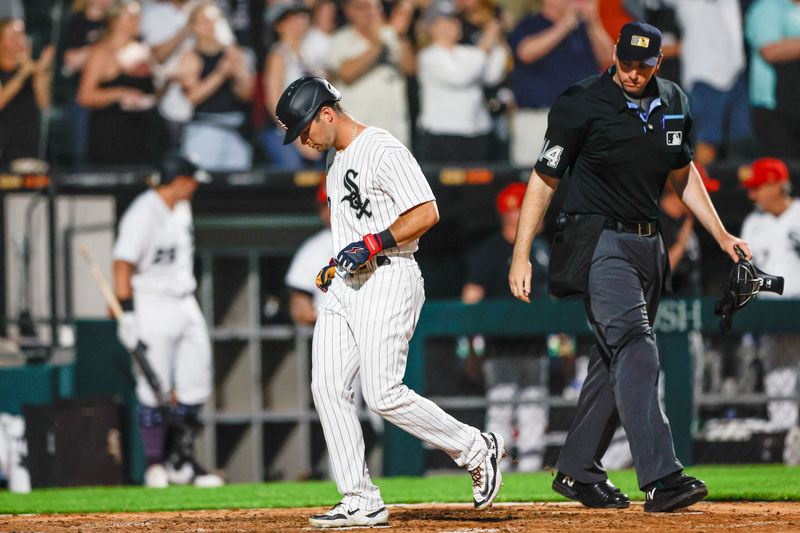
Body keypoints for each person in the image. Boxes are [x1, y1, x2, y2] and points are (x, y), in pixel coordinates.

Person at [508, 21, 750, 512]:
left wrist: (721, 234)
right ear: (614, 54)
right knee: (638, 348)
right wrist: (520, 252)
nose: (634, 71)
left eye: (645, 63)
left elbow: (682, 174)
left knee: (613, 360)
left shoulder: (675, 100)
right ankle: (662, 478)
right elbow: (544, 178)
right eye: (627, 61)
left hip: (648, 242)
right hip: (597, 238)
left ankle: (577, 470)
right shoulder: (581, 101)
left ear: (659, 62)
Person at [276, 76, 504, 528]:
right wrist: (337, 263)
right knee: (327, 386)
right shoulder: (335, 160)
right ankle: (360, 498)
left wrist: (373, 242)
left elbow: (426, 211)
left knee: (381, 393)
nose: (303, 139)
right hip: (348, 285)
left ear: (326, 112)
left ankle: (475, 447)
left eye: (304, 128)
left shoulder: (381, 147)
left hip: (391, 276)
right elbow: (354, 234)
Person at [113, 152, 223, 489]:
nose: (194, 187)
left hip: (184, 302)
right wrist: (128, 314)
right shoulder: (142, 213)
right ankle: (155, 464)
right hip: (151, 303)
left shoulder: (182, 209)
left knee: (196, 379)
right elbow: (122, 267)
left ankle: (181, 460)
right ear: (178, 181)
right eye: (191, 181)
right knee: (153, 388)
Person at [462, 182, 554, 472]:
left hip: (536, 345)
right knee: (500, 412)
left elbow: (553, 301)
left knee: (534, 412)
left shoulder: (541, 250)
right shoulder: (489, 252)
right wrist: (470, 349)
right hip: (498, 348)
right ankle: (495, 471)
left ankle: (530, 470)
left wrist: (563, 345)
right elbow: (470, 301)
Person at [507, 0, 612, 168]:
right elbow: (525, 53)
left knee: (582, 176)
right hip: (539, 118)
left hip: (581, 118)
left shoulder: (584, 28)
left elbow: (607, 57)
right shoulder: (530, 24)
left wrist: (594, 23)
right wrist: (564, 26)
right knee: (531, 177)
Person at [739, 157, 800, 437]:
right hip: (772, 313)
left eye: (758, 187)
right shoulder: (753, 223)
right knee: (778, 378)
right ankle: (783, 441)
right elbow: (746, 273)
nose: (752, 194)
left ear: (776, 185)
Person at [416, 4, 507, 163]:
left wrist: (497, 40)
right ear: (432, 28)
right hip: (443, 135)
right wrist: (487, 40)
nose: (454, 25)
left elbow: (493, 76)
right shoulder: (429, 56)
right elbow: (461, 77)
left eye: (455, 21)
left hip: (477, 133)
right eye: (446, 22)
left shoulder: (468, 52)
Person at [78, 1, 164, 165]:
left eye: (138, 15)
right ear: (115, 21)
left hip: (143, 131)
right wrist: (119, 93)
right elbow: (84, 96)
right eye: (131, 16)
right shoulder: (101, 53)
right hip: (112, 132)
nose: (138, 19)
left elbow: (154, 91)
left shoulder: (144, 51)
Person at [667, 0, 750, 165]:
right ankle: (700, 186)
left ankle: (731, 189)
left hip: (734, 71)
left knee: (739, 142)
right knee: (707, 140)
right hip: (705, 75)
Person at [328, 0, 415, 147]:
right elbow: (347, 74)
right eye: (362, 7)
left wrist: (401, 35)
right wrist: (378, 43)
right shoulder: (340, 39)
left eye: (374, 7)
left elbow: (410, 68)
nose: (370, 12)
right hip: (357, 134)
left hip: (394, 132)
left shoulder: (392, 35)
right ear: (349, 11)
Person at [178, 2, 253, 171]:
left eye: (215, 20)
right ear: (194, 26)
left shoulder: (232, 52)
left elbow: (246, 95)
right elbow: (192, 97)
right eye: (204, 21)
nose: (210, 25)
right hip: (205, 129)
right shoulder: (190, 56)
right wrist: (220, 74)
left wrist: (239, 77)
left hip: (235, 129)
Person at [261, 0, 322, 170]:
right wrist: (296, 138)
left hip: (310, 131)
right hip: (283, 133)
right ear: (279, 26)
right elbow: (273, 101)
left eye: (302, 17)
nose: (300, 21)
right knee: (293, 178)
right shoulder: (279, 55)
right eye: (293, 18)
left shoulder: (307, 54)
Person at [62, 0, 115, 165]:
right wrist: (101, 47)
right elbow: (71, 62)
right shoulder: (77, 21)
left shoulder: (112, 22)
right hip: (82, 94)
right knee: (82, 145)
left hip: (108, 91)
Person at [745, 0, 800, 157]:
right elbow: (769, 51)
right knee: (780, 169)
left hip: (795, 104)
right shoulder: (768, 7)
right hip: (773, 106)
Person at [0, 19, 54, 167]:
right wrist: (22, 74)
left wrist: (41, 72)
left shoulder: (32, 68)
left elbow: (45, 104)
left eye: (21, 35)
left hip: (27, 143)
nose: (19, 41)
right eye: (12, 36)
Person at [284, 181, 332, 326]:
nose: (329, 211)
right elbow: (299, 301)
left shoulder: (373, 236)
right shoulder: (312, 248)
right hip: (331, 330)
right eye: (325, 205)